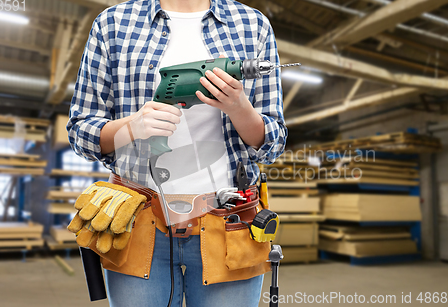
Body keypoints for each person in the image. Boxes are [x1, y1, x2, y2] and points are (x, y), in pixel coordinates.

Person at [67, 0, 287, 306]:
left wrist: (239, 108)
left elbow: (273, 143)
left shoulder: (252, 24)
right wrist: (133, 126)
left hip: (230, 221)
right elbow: (80, 131)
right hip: (137, 221)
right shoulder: (113, 23)